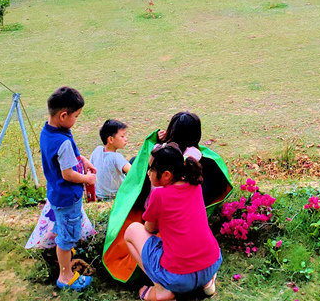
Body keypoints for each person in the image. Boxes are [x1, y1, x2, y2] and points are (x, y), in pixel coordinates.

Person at [124, 144, 222, 300]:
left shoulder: (159, 195)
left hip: (178, 277)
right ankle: (206, 283)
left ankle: (161, 287)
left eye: (151, 169)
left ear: (167, 175)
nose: (148, 173)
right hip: (212, 263)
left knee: (132, 230)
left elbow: (149, 228)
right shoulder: (195, 185)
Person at [39, 86, 96, 291]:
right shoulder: (62, 141)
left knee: (64, 227)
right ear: (64, 115)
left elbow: (63, 159)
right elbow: (68, 174)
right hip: (66, 196)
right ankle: (66, 276)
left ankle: (63, 248)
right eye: (76, 116)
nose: (76, 120)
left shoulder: (49, 131)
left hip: (56, 194)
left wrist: (82, 159)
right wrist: (87, 179)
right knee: (67, 238)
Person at [89, 119, 131, 201]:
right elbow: (133, 172)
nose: (125, 139)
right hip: (115, 197)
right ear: (111, 140)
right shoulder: (116, 157)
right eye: (122, 136)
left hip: (99, 195)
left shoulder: (97, 150)